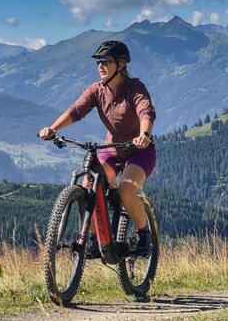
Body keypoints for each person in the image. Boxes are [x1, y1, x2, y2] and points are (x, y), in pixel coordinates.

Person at [38, 40, 156, 258]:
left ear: (120, 65)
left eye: (106, 62)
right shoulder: (97, 90)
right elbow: (76, 111)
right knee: (89, 185)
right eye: (98, 62)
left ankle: (143, 235)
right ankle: (93, 239)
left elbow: (145, 112)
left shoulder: (134, 88)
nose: (100, 66)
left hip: (140, 151)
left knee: (126, 189)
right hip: (112, 149)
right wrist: (53, 128)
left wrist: (144, 135)